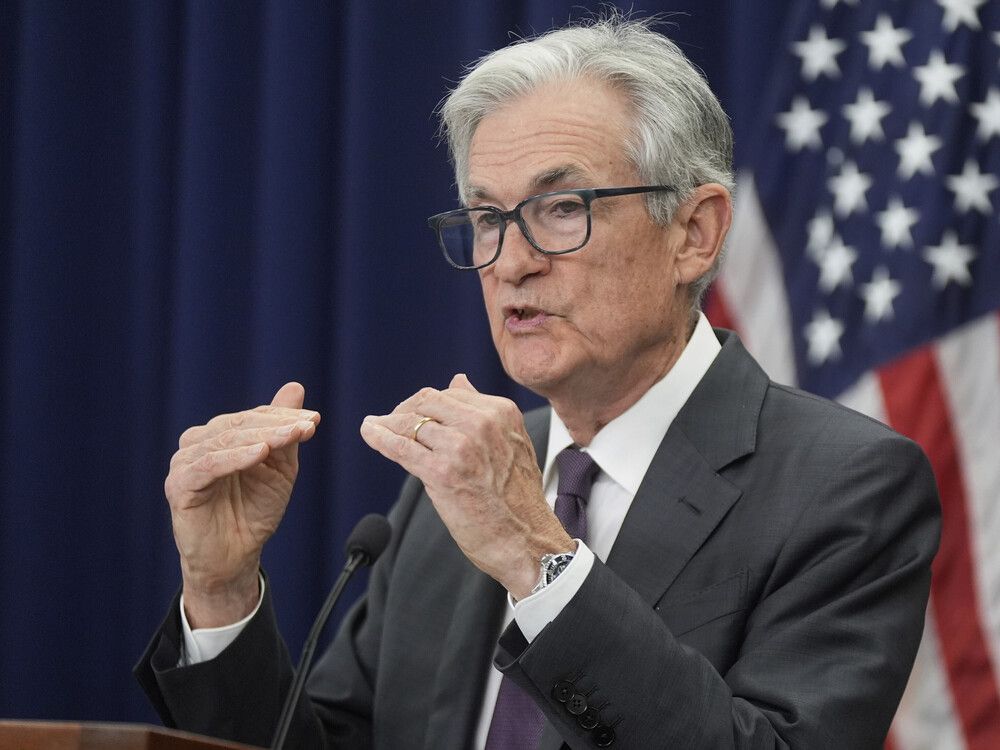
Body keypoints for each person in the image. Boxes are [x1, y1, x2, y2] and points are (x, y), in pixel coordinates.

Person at [136, 16, 940, 749]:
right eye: (487, 217)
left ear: (695, 234)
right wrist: (222, 593)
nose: (511, 262)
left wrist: (536, 555)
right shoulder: (453, 488)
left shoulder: (845, 485)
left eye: (562, 208)